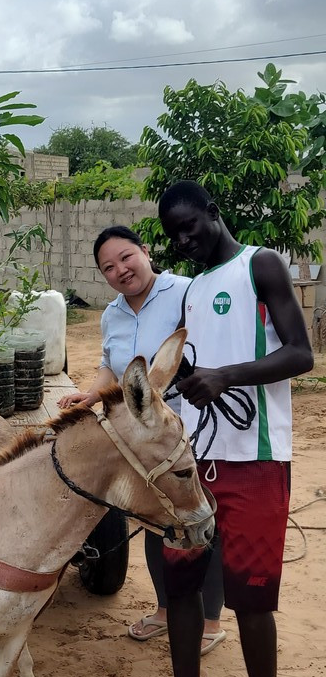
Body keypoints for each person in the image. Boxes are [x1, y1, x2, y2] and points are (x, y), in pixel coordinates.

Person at [113, 181, 313, 677]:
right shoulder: (194, 290)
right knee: (180, 585)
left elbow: (302, 354)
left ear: (212, 213)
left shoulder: (263, 265)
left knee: (251, 596)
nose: (182, 240)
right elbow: (197, 363)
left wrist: (227, 377)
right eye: (172, 234)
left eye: (189, 227)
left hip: (255, 461)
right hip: (196, 463)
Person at [58, 225, 225, 654]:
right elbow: (110, 366)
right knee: (153, 515)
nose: (120, 270)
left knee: (200, 513)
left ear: (145, 251)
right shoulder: (112, 313)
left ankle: (209, 620)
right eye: (108, 267)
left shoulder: (186, 293)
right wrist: (92, 394)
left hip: (191, 427)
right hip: (138, 439)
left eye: (126, 257)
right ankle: (165, 611)